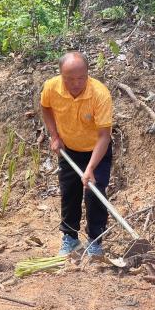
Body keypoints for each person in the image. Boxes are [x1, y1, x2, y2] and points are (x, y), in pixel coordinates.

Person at [40, 52, 113, 256]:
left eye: (81, 78)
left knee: (94, 194)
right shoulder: (52, 87)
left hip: (96, 151)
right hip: (69, 149)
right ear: (61, 75)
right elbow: (45, 107)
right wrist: (55, 136)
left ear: (88, 74)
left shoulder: (100, 94)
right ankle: (70, 238)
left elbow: (104, 136)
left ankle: (95, 241)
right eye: (69, 79)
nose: (76, 83)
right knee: (69, 192)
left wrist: (90, 168)